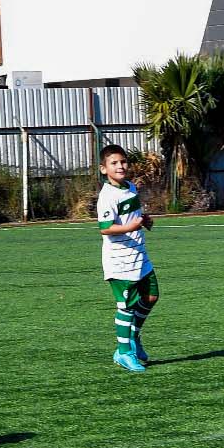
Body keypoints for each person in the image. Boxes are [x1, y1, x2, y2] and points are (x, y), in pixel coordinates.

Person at [97, 144, 158, 372]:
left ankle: (133, 336)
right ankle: (123, 353)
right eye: (114, 163)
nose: (120, 166)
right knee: (126, 307)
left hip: (139, 255)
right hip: (120, 261)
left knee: (151, 296)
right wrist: (129, 227)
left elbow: (134, 217)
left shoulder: (130, 187)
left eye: (122, 162)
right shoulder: (107, 196)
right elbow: (105, 228)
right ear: (104, 169)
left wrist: (144, 222)